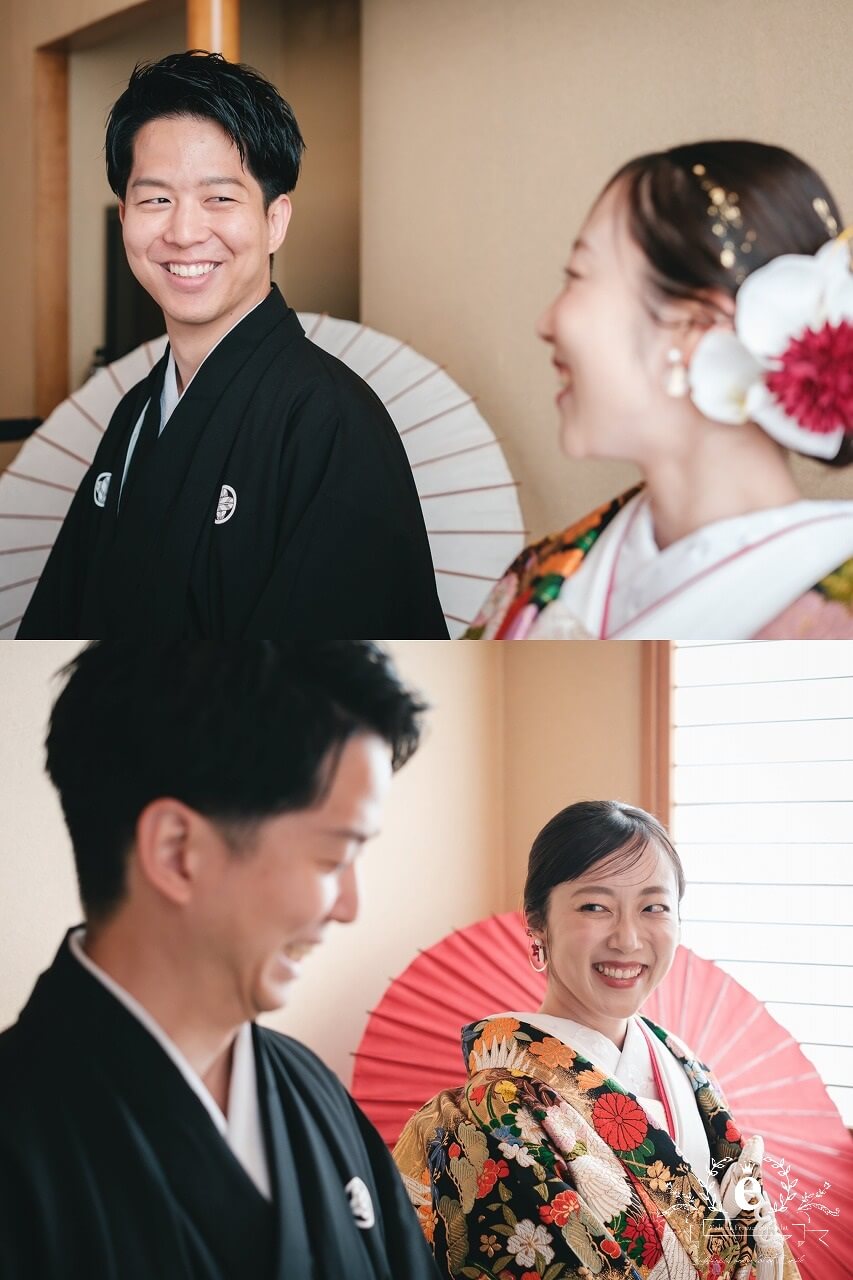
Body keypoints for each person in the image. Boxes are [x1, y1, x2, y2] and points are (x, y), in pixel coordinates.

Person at [0, 642, 441, 1279]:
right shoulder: (19, 1141)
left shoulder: (311, 1091)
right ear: (178, 851)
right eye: (331, 859)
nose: (349, 907)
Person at [17, 52, 447, 640]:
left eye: (220, 198)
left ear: (275, 220)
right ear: (125, 218)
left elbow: (333, 686)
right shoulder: (134, 416)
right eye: (155, 199)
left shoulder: (330, 421)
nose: (184, 232)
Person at [464, 141, 853, 639]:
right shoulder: (547, 573)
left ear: (695, 326)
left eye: (577, 276)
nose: (546, 322)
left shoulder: (831, 597)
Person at [394, 800, 798, 1279]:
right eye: (595, 907)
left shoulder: (685, 1066)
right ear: (537, 924)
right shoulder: (492, 1113)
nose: (628, 939)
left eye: (654, 907)